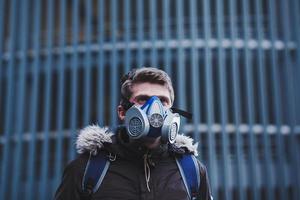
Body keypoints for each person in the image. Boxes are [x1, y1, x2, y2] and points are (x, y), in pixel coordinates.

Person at [54, 67, 213, 200]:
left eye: (163, 101)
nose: (154, 108)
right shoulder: (87, 170)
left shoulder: (191, 170)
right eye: (143, 99)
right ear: (123, 112)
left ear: (171, 111)